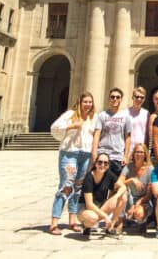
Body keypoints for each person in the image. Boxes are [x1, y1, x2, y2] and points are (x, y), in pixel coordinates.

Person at [49, 92, 97, 235]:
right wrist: (71, 126)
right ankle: (54, 222)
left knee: (78, 187)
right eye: (85, 102)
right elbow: (54, 128)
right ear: (80, 102)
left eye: (90, 102)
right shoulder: (70, 115)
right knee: (66, 186)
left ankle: (72, 221)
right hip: (70, 153)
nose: (87, 104)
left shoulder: (93, 117)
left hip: (85, 155)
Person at [77, 152, 127, 238]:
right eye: (100, 162)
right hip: (86, 209)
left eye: (105, 163)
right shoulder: (89, 177)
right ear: (95, 163)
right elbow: (89, 204)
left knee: (123, 197)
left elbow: (123, 186)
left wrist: (115, 197)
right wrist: (105, 217)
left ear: (108, 165)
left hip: (100, 206)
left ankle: (110, 228)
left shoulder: (108, 174)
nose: (102, 165)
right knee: (92, 217)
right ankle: (87, 226)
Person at [91, 88, 132, 177]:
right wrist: (94, 154)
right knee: (100, 184)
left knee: (115, 185)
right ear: (109, 99)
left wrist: (126, 156)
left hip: (118, 156)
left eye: (118, 97)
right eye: (112, 97)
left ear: (121, 99)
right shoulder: (102, 115)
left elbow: (128, 137)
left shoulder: (126, 117)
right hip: (103, 155)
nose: (115, 99)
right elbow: (97, 135)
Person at [117, 143, 154, 232]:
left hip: (144, 200)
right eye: (137, 152)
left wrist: (135, 205)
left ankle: (142, 221)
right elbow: (117, 184)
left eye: (141, 152)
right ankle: (120, 222)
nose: (139, 154)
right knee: (121, 191)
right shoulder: (128, 167)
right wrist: (131, 180)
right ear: (133, 154)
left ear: (145, 155)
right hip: (130, 198)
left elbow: (149, 195)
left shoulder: (150, 169)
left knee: (139, 213)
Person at [128, 87, 149, 154]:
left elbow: (147, 133)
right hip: (128, 150)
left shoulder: (147, 113)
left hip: (141, 151)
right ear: (132, 97)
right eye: (137, 97)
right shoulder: (125, 113)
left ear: (144, 99)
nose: (139, 99)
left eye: (142, 97)